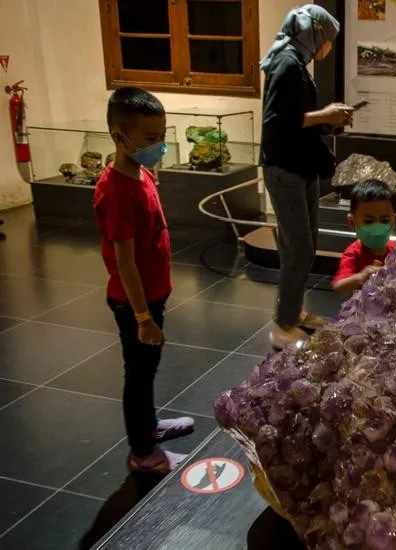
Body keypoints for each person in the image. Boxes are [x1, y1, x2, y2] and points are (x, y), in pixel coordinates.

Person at [94, 88, 193, 474]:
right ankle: (142, 452)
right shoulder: (116, 192)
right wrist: (142, 317)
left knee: (147, 368)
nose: (160, 145)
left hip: (153, 293)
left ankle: (149, 426)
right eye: (151, 139)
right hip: (135, 302)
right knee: (137, 374)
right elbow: (125, 263)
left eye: (162, 136)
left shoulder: (140, 172)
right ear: (120, 138)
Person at [259, 4, 354, 348]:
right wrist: (324, 114)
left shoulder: (296, 62)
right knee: (298, 248)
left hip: (300, 166)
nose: (327, 47)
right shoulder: (286, 62)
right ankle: (283, 324)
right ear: (313, 34)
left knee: (305, 245)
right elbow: (277, 123)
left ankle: (295, 309)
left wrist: (329, 120)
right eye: (327, 39)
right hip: (285, 169)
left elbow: (300, 118)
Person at [332, 179, 396, 296]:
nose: (377, 227)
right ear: (352, 222)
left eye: (385, 220)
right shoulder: (353, 253)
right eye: (368, 221)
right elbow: (339, 287)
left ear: (395, 220)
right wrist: (362, 276)